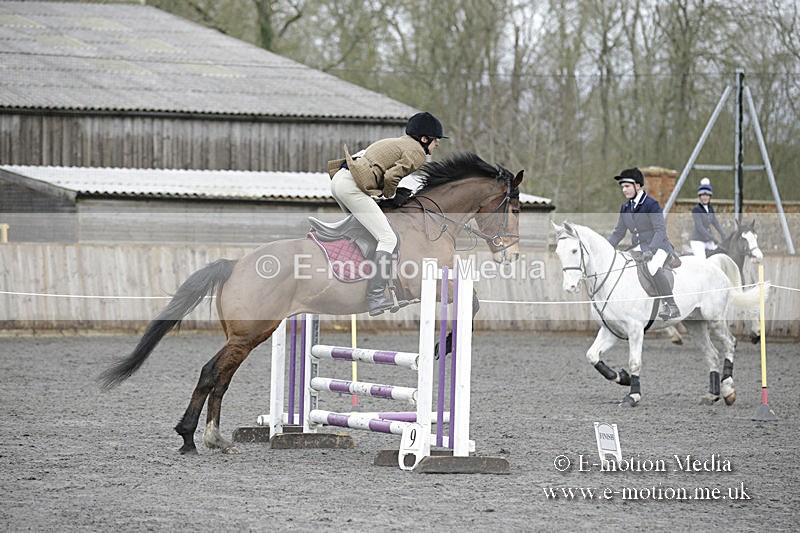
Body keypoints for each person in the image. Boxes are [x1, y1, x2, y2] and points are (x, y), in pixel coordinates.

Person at [327, 112, 446, 316]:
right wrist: (389, 195)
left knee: (366, 233)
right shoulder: (417, 152)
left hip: (339, 181)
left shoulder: (397, 142)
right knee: (388, 238)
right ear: (424, 139)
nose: (438, 145)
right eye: (436, 140)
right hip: (351, 186)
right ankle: (375, 297)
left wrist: (387, 192)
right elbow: (391, 176)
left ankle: (361, 280)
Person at [607, 167, 680, 320]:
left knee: (652, 266)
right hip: (638, 247)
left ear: (638, 186)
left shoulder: (651, 204)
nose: (624, 190)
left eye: (627, 186)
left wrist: (651, 250)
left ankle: (671, 305)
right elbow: (619, 233)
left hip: (658, 245)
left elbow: (660, 230)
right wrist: (605, 248)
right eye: (622, 187)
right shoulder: (625, 207)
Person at [690, 178, 726, 258]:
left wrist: (723, 234)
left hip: (708, 240)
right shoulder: (696, 209)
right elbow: (699, 227)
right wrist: (712, 237)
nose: (705, 197)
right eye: (703, 195)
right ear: (700, 196)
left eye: (707, 195)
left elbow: (715, 223)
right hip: (698, 241)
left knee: (717, 256)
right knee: (702, 260)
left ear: (710, 196)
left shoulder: (710, 208)